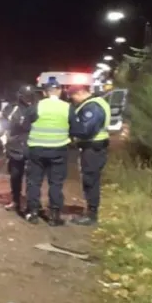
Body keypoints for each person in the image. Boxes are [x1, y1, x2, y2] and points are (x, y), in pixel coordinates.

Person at [23, 78, 71, 226]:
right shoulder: (67, 107)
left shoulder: (37, 106)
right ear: (60, 90)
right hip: (58, 150)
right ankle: (54, 215)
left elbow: (25, 125)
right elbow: (76, 127)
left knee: (34, 182)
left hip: (37, 150)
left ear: (44, 92)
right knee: (56, 183)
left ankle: (33, 213)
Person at [67, 85, 110, 225]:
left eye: (73, 97)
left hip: (93, 149)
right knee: (90, 180)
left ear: (79, 93)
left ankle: (91, 215)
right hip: (94, 148)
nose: (73, 100)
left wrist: (70, 130)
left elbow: (86, 130)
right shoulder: (95, 103)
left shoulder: (92, 107)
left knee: (90, 181)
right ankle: (91, 211)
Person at [0, 84, 35, 214]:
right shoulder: (12, 108)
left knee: (33, 178)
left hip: (33, 146)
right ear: (20, 96)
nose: (28, 99)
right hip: (15, 147)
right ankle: (16, 200)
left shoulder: (37, 107)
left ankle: (32, 205)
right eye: (25, 96)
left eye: (30, 96)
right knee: (15, 175)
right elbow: (4, 124)